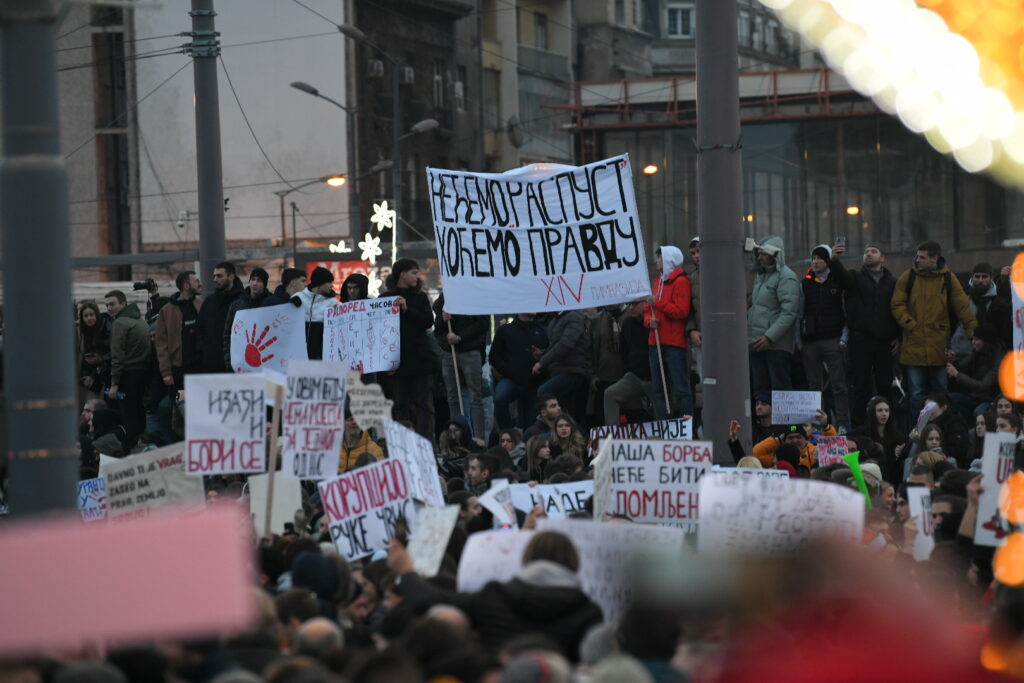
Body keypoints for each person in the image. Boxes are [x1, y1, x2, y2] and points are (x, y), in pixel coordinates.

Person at [389, 531, 603, 662]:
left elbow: (429, 601)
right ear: (573, 562)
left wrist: (406, 573)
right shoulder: (588, 612)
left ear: (527, 557)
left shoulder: (495, 596)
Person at [890, 240, 977, 419]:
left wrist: (973, 335)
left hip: (938, 347)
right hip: (914, 347)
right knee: (916, 394)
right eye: (918, 256)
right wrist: (910, 324)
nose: (918, 260)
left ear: (934, 258)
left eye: (922, 257)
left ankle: (942, 428)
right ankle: (917, 430)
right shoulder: (908, 277)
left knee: (941, 394)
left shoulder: (948, 278)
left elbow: (963, 308)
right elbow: (897, 304)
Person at [833, 242, 900, 424]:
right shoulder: (855, 278)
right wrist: (835, 261)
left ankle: (887, 427)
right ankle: (860, 427)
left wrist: (897, 335)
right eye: (866, 251)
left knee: (885, 385)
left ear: (882, 258)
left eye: (873, 251)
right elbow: (842, 277)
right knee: (861, 386)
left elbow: (897, 309)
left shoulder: (892, 282)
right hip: (860, 340)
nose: (869, 254)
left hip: (884, 342)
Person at [800, 243, 851, 429]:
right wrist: (799, 340)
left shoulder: (837, 281)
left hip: (833, 340)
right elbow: (799, 313)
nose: (815, 262)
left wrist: (844, 338)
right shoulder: (805, 283)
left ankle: (843, 426)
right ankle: (817, 427)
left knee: (839, 386)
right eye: (813, 258)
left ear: (828, 261)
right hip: (810, 342)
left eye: (820, 258)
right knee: (813, 388)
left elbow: (847, 312)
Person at [384, 259, 436, 440]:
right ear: (402, 274)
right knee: (400, 405)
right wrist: (385, 362)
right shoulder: (385, 299)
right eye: (414, 273)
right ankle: (402, 443)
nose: (417, 277)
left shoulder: (420, 298)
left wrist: (407, 310)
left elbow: (428, 321)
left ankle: (426, 443)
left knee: (424, 405)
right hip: (397, 362)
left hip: (420, 360)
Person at [643, 246, 693, 419]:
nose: (657, 261)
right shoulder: (658, 282)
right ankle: (663, 425)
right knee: (659, 390)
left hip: (674, 343)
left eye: (660, 258)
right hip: (655, 342)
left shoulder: (681, 281)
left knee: (680, 388)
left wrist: (657, 303)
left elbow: (681, 311)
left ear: (668, 260)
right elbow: (647, 310)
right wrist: (649, 321)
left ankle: (686, 426)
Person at [748, 235, 800, 396]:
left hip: (776, 345)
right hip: (757, 342)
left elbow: (789, 313)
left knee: (780, 391)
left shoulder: (787, 277)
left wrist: (769, 337)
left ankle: (784, 417)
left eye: (764, 254)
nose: (759, 257)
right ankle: (764, 414)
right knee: (760, 390)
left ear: (775, 255)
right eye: (759, 253)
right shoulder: (761, 275)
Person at [433, 292, 488, 438]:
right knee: (452, 396)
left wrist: (460, 337)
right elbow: (437, 327)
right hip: (449, 353)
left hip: (470, 351)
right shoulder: (445, 297)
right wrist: (444, 321)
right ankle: (456, 437)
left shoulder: (475, 294)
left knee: (475, 396)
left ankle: (478, 438)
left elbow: (483, 323)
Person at [105, 290, 151, 447]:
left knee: (129, 419)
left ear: (123, 304)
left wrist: (114, 383)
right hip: (143, 374)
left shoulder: (120, 323)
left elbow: (117, 356)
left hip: (127, 376)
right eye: (107, 305)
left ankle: (130, 451)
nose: (109, 308)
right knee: (139, 416)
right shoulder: (140, 321)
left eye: (112, 304)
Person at [490, 313, 549, 429]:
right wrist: (509, 370)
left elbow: (550, 353)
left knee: (530, 422)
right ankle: (506, 433)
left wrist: (541, 365)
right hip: (511, 379)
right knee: (500, 398)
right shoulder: (505, 330)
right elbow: (494, 356)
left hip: (535, 382)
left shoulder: (544, 330)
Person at [602, 299, 655, 426]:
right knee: (610, 394)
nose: (631, 308)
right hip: (634, 376)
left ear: (645, 304)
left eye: (635, 304)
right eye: (630, 304)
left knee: (661, 406)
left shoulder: (654, 322)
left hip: (654, 377)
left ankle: (662, 435)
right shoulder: (627, 323)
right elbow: (624, 351)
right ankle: (612, 434)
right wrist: (628, 370)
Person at [533, 308, 591, 422]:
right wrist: (542, 353)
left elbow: (565, 345)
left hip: (573, 371)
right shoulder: (555, 320)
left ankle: (546, 423)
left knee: (544, 392)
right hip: (560, 371)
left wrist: (541, 362)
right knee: (568, 416)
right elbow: (555, 346)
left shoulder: (574, 316)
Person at [951, 262, 1012, 360]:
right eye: (977, 276)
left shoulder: (997, 301)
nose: (980, 280)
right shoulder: (963, 297)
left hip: (989, 356)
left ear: (991, 278)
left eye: (984, 277)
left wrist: (1004, 282)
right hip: (961, 352)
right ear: (972, 277)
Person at [155, 270, 203, 392]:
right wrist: (166, 372)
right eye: (196, 281)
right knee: (180, 403)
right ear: (186, 286)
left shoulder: (202, 305)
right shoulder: (166, 311)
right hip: (179, 370)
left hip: (201, 368)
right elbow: (161, 344)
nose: (200, 284)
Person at [222, 268, 275, 368]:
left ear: (264, 284)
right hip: (241, 361)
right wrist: (229, 360)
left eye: (259, 280)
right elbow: (228, 334)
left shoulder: (272, 304)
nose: (255, 283)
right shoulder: (237, 305)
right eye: (253, 279)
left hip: (266, 362)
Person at [948, 323, 1003, 419]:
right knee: (947, 399)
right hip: (973, 397)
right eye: (972, 339)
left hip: (989, 400)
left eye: (976, 339)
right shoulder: (977, 352)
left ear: (986, 341)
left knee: (979, 412)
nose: (973, 342)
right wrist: (952, 359)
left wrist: (957, 375)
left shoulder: (998, 360)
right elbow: (962, 366)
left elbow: (982, 386)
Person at [197, 261, 243, 372]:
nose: (215, 279)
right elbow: (200, 329)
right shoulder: (209, 302)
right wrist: (204, 352)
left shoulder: (243, 301)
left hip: (236, 365)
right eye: (214, 276)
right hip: (211, 365)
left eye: (219, 276)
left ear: (231, 277)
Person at [294, 266, 337, 360]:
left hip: (322, 356)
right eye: (329, 282)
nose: (332, 286)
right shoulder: (298, 298)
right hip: (299, 355)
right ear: (320, 283)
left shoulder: (332, 303)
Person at [77, 301, 110, 397]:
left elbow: (113, 351)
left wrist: (101, 359)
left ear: (97, 315)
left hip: (109, 371)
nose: (89, 318)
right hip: (97, 371)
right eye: (86, 316)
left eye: (91, 315)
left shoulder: (107, 328)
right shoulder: (87, 330)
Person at [685, 236, 703, 375]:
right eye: (693, 253)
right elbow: (689, 308)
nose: (696, 256)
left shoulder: (722, 272)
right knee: (704, 376)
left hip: (722, 335)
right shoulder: (692, 277)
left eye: (698, 251)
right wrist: (691, 330)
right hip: (700, 337)